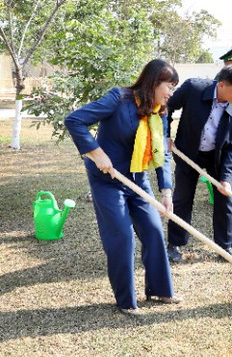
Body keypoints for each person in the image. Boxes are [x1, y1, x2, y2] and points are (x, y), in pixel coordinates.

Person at [64, 59, 181, 316]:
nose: (171, 92)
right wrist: (96, 152)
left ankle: (160, 289)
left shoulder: (159, 111)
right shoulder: (118, 98)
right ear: (153, 82)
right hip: (108, 181)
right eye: (169, 86)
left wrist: (166, 191)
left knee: (153, 230)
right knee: (122, 237)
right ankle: (126, 301)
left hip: (138, 179)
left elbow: (162, 153)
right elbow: (74, 120)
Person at [165, 66, 232, 263]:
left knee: (224, 199)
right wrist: (165, 134)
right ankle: (175, 244)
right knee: (183, 197)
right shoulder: (193, 89)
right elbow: (166, 108)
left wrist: (226, 178)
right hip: (188, 152)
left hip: (217, 157)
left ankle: (226, 247)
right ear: (221, 85)